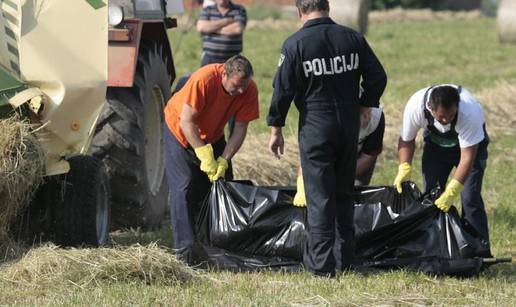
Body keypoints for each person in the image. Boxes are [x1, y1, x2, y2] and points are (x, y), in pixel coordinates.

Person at [267, 0, 387, 277]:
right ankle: (345, 260)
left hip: (316, 125)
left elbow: (282, 90)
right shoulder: (352, 38)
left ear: (300, 12)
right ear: (328, 7)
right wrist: (365, 104)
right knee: (344, 192)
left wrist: (276, 127)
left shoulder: (295, 44)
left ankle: (321, 267)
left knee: (320, 196)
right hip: (348, 125)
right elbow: (377, 76)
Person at [163, 55, 259, 263]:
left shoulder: (248, 90)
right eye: (236, 86)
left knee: (223, 184)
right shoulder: (204, 79)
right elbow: (186, 122)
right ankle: (185, 252)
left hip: (213, 134)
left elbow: (240, 129)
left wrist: (224, 159)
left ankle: (220, 244)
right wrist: (203, 154)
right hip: (180, 132)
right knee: (184, 187)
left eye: (244, 86)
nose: (241, 91)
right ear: (224, 74)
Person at [393, 84, 491, 257]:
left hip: (471, 148)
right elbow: (407, 139)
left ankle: (478, 251)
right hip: (436, 149)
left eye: (451, 115)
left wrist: (452, 190)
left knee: (470, 197)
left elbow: (467, 158)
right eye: (442, 117)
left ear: (457, 106)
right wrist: (404, 167)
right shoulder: (416, 106)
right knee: (432, 195)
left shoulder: (469, 112)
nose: (447, 120)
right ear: (430, 108)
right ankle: (438, 249)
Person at [293, 107, 385, 206]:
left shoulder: (376, 119)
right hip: (329, 152)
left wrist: (341, 176)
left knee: (350, 196)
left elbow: (368, 156)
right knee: (318, 194)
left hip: (357, 159)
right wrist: (302, 183)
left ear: (367, 115)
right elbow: (310, 155)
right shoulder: (325, 120)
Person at [196, 0, 247, 66]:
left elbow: (237, 29)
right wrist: (226, 21)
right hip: (210, 59)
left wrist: (212, 28)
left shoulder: (239, 10)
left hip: (233, 60)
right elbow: (201, 27)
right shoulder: (207, 10)